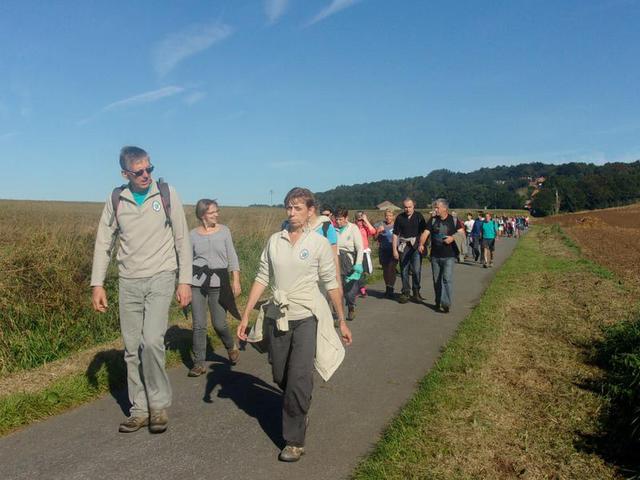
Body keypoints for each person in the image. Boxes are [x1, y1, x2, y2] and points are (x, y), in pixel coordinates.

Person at [237, 187, 352, 462]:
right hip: (279, 316)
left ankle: (294, 440)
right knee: (280, 375)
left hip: (307, 317)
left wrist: (342, 320)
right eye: (289, 207)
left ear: (310, 211)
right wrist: (246, 314)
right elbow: (263, 277)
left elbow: (331, 283)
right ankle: (298, 405)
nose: (291, 212)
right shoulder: (275, 240)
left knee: (299, 378)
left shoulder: (318, 244)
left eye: (297, 208)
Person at [91, 146, 192, 434]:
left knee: (151, 341)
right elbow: (103, 242)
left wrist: (185, 280)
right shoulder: (116, 199)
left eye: (150, 169)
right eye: (139, 172)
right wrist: (97, 284)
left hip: (161, 275)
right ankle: (139, 409)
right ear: (126, 174)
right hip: (129, 280)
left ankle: (158, 406)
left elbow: (182, 239)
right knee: (132, 348)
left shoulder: (166, 193)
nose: (146, 175)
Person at [188, 199, 241, 377]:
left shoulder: (224, 231)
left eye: (217, 211)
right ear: (203, 215)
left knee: (219, 323)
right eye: (213, 212)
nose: (217, 215)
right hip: (197, 283)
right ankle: (199, 363)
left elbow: (232, 256)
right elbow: (187, 261)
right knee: (199, 325)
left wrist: (236, 280)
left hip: (219, 283)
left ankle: (230, 346)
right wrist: (184, 285)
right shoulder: (192, 235)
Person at [419, 198, 465, 313]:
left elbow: (462, 233)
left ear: (444, 208)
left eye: (437, 207)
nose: (435, 209)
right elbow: (425, 233)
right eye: (435, 207)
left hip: (449, 255)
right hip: (435, 256)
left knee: (447, 279)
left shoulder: (454, 220)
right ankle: (438, 301)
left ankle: (446, 303)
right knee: (436, 280)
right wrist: (421, 244)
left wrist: (452, 238)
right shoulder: (433, 220)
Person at [392, 198, 427, 304]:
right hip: (404, 246)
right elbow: (395, 234)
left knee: (416, 270)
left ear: (414, 206)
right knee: (404, 270)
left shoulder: (419, 216)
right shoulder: (399, 218)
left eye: (409, 207)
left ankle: (416, 292)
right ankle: (405, 292)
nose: (407, 209)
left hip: (416, 245)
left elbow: (425, 232)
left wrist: (423, 245)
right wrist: (394, 250)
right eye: (405, 207)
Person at [335, 208, 364, 321]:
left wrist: (358, 265)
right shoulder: (334, 229)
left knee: (349, 289)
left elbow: (360, 248)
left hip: (348, 260)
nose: (338, 222)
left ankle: (351, 306)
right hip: (336, 259)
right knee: (336, 288)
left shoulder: (353, 228)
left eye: (341, 219)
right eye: (336, 219)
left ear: (346, 218)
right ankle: (339, 316)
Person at [374, 208, 398, 298]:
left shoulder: (396, 225)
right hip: (383, 250)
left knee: (391, 269)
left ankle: (390, 289)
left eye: (390, 216)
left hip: (394, 249)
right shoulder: (381, 224)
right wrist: (378, 232)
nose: (388, 217)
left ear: (393, 216)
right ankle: (387, 289)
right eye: (386, 216)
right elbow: (375, 238)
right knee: (385, 270)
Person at [354, 211, 376, 297]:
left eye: (361, 220)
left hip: (363, 252)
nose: (360, 222)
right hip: (355, 252)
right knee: (356, 271)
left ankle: (362, 289)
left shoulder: (365, 228)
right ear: (355, 220)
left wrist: (366, 221)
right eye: (359, 220)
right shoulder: (353, 228)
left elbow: (373, 231)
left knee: (362, 271)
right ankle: (357, 289)